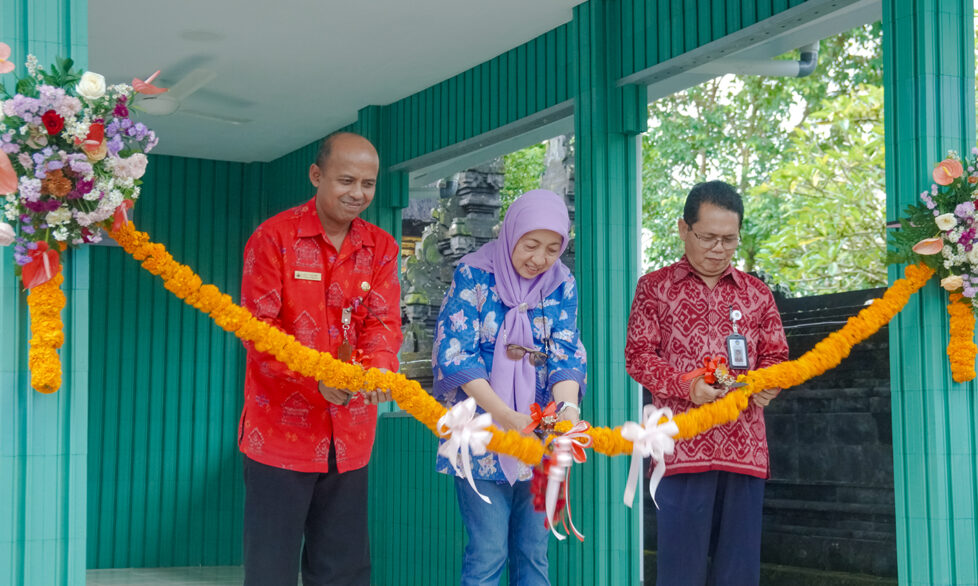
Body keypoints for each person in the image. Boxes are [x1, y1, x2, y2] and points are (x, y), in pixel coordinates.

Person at [238, 131, 403, 586]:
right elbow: (258, 332)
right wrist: (315, 378)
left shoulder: (382, 247)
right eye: (346, 181)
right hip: (279, 435)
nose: (358, 194)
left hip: (350, 435)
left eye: (368, 184)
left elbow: (384, 322)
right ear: (316, 175)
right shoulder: (273, 237)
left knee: (343, 570)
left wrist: (379, 368)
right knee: (270, 570)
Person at [624, 181, 788, 586]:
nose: (718, 249)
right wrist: (687, 386)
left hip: (744, 447)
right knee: (681, 571)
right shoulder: (654, 288)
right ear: (684, 229)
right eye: (708, 237)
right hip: (681, 448)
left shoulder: (757, 294)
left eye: (729, 240)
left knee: (739, 572)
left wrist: (771, 383)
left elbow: (776, 356)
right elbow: (638, 357)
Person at [432, 189, 587, 586]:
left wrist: (568, 413)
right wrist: (505, 415)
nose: (540, 259)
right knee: (488, 552)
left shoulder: (562, 283)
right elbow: (456, 353)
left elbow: (566, 353)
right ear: (511, 233)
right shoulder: (474, 274)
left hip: (540, 437)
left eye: (552, 249)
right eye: (531, 245)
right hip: (483, 434)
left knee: (533, 553)